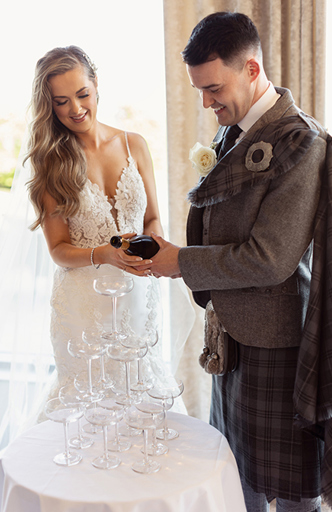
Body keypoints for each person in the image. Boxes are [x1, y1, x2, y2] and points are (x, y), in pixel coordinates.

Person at [145, 12, 326, 511]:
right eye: (199, 90)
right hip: (232, 336)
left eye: (213, 88)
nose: (205, 102)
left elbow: (271, 260)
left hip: (277, 344)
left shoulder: (302, 143)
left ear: (251, 69)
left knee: (291, 497)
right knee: (234, 479)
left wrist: (182, 262)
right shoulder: (237, 129)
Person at [26, 46, 176, 397]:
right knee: (90, 404)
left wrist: (151, 248)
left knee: (143, 392)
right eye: (61, 101)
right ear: (49, 105)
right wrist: (105, 255)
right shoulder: (52, 163)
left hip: (139, 293)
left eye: (82, 95)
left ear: (96, 85)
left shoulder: (134, 144)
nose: (75, 109)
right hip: (84, 305)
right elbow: (59, 250)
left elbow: (153, 217)